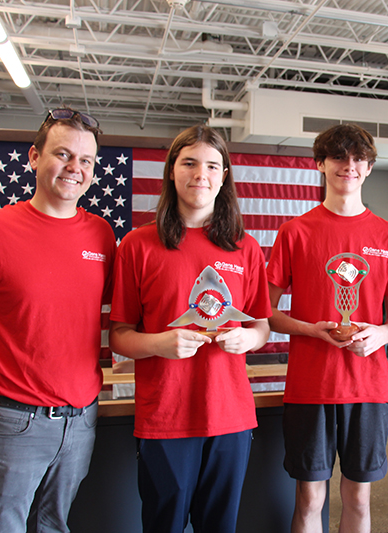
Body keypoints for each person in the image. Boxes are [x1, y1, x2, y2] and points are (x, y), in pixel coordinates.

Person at [0, 107, 114, 532]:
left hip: (80, 423)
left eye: (86, 161)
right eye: (63, 154)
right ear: (34, 157)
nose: (75, 168)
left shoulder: (101, 235)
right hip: (9, 423)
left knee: (54, 526)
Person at [109, 125, 271, 533]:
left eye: (212, 165)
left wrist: (249, 338)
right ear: (171, 171)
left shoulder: (245, 247)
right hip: (165, 416)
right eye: (190, 162)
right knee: (163, 524)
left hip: (230, 416)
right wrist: (160, 343)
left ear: (225, 175)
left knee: (220, 525)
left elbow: (262, 327)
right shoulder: (137, 245)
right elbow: (120, 335)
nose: (201, 173)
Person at [266, 123, 388, 533]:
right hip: (311, 385)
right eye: (338, 158)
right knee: (310, 497)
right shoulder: (295, 232)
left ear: (369, 168)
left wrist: (381, 334)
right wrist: (313, 330)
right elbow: (267, 312)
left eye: (358, 159)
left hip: (369, 387)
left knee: (358, 498)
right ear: (320, 164)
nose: (348, 166)